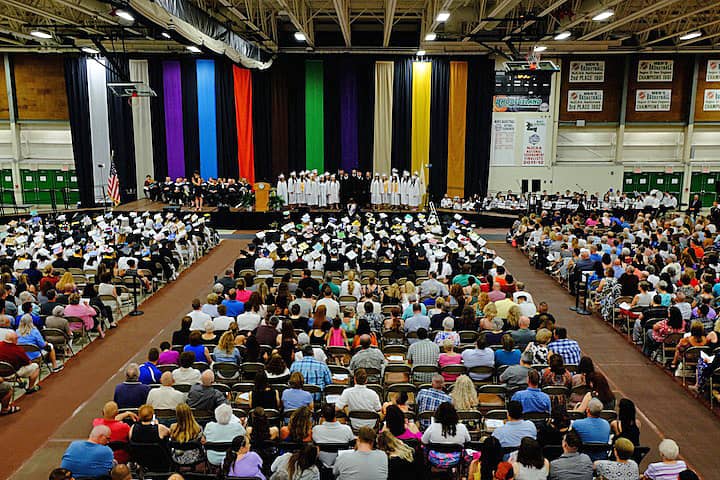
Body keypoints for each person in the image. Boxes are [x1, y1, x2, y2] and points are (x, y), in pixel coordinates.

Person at [421, 402, 471, 467]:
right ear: (455, 414)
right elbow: (468, 441)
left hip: (435, 460)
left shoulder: (432, 427)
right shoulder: (462, 427)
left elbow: (423, 441)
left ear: (438, 414)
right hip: (456, 460)